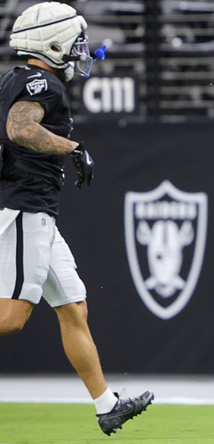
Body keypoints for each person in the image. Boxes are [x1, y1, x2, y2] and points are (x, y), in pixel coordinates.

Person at [0, 2, 153, 435]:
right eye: (76, 42)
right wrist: (74, 149)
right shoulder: (42, 83)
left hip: (38, 210)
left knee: (73, 308)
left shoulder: (17, 78)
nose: (81, 51)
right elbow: (19, 128)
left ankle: (107, 405)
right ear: (53, 41)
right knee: (11, 318)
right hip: (26, 207)